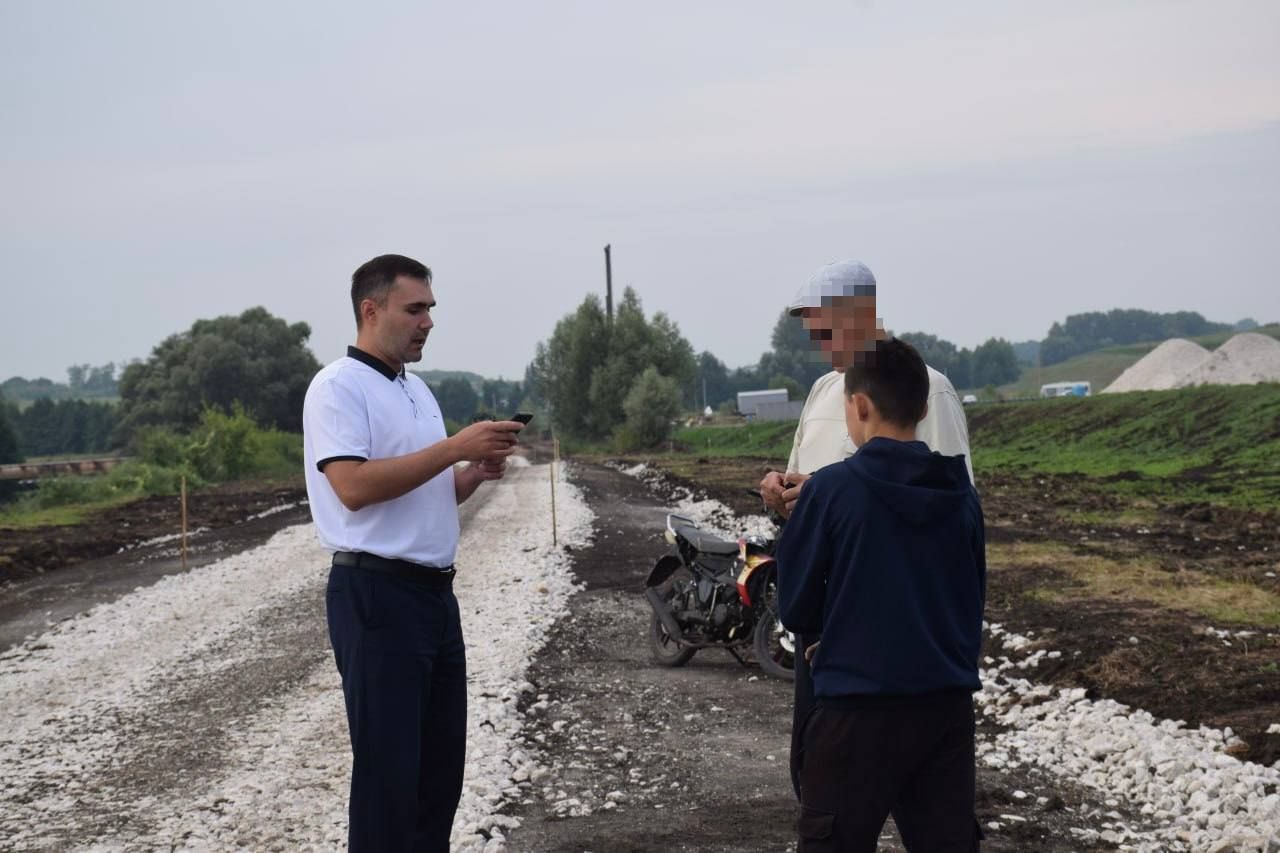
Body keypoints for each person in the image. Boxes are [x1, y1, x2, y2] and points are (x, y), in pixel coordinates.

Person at [302, 253, 526, 852]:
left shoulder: (416, 390)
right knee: (388, 778)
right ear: (370, 311)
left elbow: (423, 491)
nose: (428, 321)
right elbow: (352, 487)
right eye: (415, 308)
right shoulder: (337, 388)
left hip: (433, 597)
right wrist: (454, 447)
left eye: (430, 308)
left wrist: (471, 472)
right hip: (376, 596)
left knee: (437, 778)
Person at [757, 259, 973, 801]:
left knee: (913, 800)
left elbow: (947, 507)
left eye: (827, 332)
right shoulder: (823, 391)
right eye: (814, 336)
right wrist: (784, 496)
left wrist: (835, 496)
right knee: (816, 778)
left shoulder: (928, 390)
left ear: (863, 314)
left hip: (891, 629)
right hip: (823, 623)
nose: (822, 347)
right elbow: (807, 495)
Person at [777, 337, 986, 851]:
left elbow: (797, 604)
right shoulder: (961, 495)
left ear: (860, 405)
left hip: (857, 711)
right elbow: (971, 596)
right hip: (945, 709)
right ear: (921, 407)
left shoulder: (830, 491)